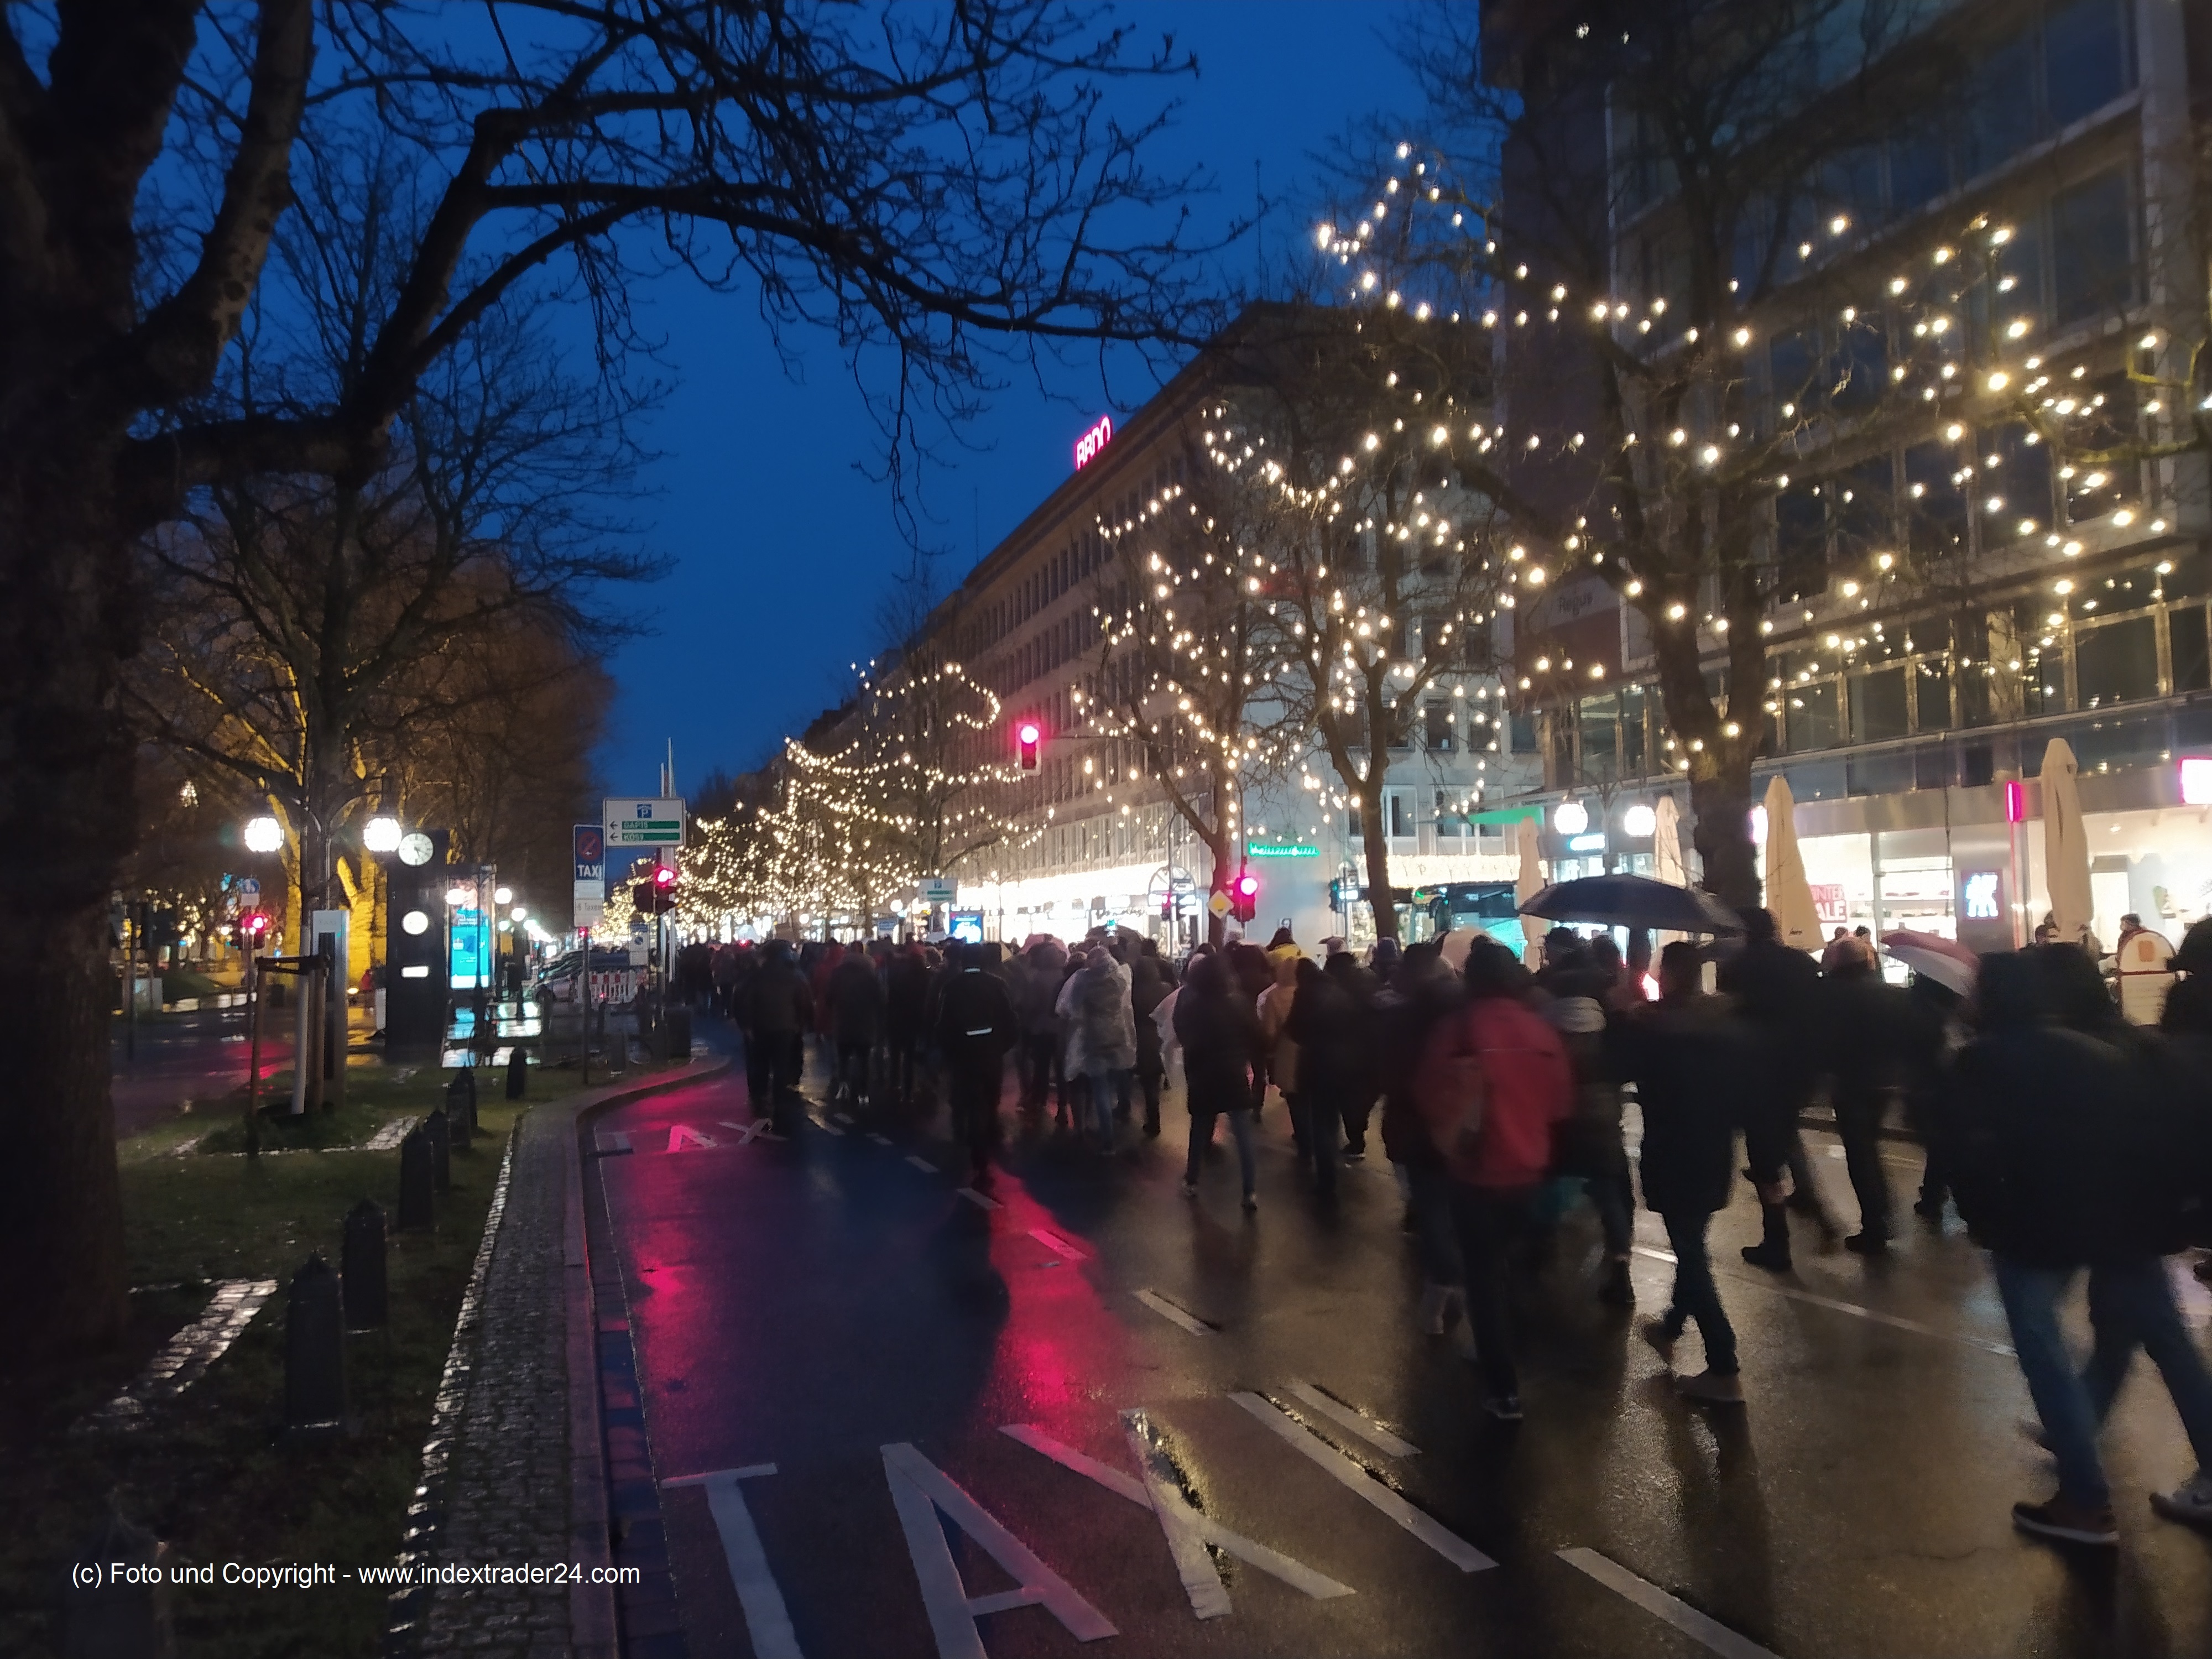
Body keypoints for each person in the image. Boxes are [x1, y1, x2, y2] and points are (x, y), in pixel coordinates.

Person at [1945, 950, 2212, 1546]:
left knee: (2044, 1349)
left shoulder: (1982, 1060)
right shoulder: (2115, 1051)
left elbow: (1967, 1149)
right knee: (2158, 1340)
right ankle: (2086, 1442)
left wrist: (1983, 1217)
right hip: (2124, 1223)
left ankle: (2085, 1499)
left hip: (2035, 1228)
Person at [1413, 938, 1572, 1422]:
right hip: (1529, 1170)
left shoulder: (1458, 1028)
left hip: (1476, 1169)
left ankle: (1502, 1387)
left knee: (1483, 1275)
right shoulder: (1540, 1031)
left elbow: (1427, 1090)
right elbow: (1562, 1103)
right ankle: (1514, 1353)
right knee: (1515, 1268)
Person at [1618, 941, 1755, 1404]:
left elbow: (1622, 1066)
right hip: (1714, 1147)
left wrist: (1627, 1013)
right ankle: (1676, 1318)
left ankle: (1723, 1362)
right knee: (1691, 1238)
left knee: (1691, 1252)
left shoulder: (1655, 1028)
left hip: (1673, 1147)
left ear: (1670, 975)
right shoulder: (1729, 1025)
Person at [1718, 907, 1838, 1270]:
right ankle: (1813, 1208)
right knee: (1785, 1140)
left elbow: (1730, 1015)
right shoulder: (1802, 963)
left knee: (1766, 1161)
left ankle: (1778, 1241)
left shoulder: (1739, 967)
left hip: (1756, 1072)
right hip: (1798, 1070)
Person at [1534, 932, 1634, 1305]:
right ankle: (1621, 1267)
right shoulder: (1609, 1026)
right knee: (1611, 1194)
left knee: (1548, 1183)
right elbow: (1624, 1068)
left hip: (1559, 1120)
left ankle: (1540, 1252)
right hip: (1603, 1120)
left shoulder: (1548, 1029)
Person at [1377, 942, 1467, 1333]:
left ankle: (1446, 1284)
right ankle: (1460, 1289)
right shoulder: (1471, 1016)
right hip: (1470, 1130)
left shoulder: (1401, 1021)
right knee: (1464, 1215)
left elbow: (1391, 1076)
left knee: (1432, 1214)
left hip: (1421, 1130)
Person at [1822, 947, 1909, 1253]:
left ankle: (1876, 1221)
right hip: (1886, 1081)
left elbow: (1826, 1040)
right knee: (1869, 1147)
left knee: (1860, 1152)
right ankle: (1883, 1212)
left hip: (1850, 1082)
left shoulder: (1831, 996)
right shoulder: (1891, 995)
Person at [1173, 953, 1261, 1211]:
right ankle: (1250, 1190)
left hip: (1203, 1074)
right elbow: (1255, 1034)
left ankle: (1192, 1179)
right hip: (1233, 1073)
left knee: (1200, 1127)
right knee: (1243, 1134)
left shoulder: (1193, 1007)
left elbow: (1184, 1035)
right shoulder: (1239, 1004)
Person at [935, 942, 1017, 1181]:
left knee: (964, 1096)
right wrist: (1001, 1046)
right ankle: (987, 1133)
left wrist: (948, 1049)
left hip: (963, 1055)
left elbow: (944, 1023)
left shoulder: (952, 987)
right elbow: (1011, 1021)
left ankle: (964, 1132)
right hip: (990, 1054)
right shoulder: (997, 985)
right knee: (990, 1098)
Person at [1285, 956, 1355, 1198]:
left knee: (1321, 1122)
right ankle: (1333, 1164)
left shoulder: (1305, 995)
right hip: (1343, 1062)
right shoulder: (1338, 990)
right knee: (1333, 1119)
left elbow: (1294, 1028)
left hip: (1317, 1063)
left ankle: (1326, 1180)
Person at [1060, 946, 1135, 1150]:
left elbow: (1072, 1008)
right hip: (1117, 1037)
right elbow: (1126, 1006)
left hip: (1094, 1039)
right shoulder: (1119, 979)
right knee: (1111, 1084)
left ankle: (1107, 1140)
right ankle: (1120, 1115)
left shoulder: (1084, 979)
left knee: (1100, 1088)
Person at [740, 942, 812, 1130]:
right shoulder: (792, 976)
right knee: (781, 1065)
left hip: (761, 1026)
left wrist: (747, 1025)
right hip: (786, 1026)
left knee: (761, 1063)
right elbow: (802, 1000)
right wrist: (800, 1023)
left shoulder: (756, 977)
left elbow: (747, 1000)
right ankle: (779, 1100)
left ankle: (760, 1097)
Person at [826, 945, 884, 1107]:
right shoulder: (871, 974)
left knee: (843, 1057)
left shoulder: (838, 973)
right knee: (864, 1060)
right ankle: (863, 1093)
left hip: (843, 1020)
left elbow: (829, 996)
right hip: (865, 1022)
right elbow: (881, 999)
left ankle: (843, 1085)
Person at [1129, 945, 1170, 1137]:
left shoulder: (1133, 993)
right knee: (1155, 1079)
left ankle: (1151, 1120)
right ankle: (1155, 1120)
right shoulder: (1165, 988)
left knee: (1148, 1083)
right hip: (1162, 1036)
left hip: (1142, 1038)